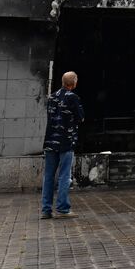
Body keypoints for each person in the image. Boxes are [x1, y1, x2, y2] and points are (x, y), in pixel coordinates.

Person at [41, 71, 84, 219]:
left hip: (50, 141)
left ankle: (46, 210)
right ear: (74, 83)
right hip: (66, 141)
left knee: (48, 176)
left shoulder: (52, 97)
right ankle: (63, 209)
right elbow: (80, 117)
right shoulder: (73, 98)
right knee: (64, 175)